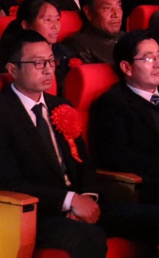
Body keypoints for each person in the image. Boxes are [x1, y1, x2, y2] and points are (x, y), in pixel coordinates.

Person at [0, 29, 107, 258]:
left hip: (78, 202)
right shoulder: (3, 113)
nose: (49, 69)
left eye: (51, 61)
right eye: (38, 63)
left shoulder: (60, 105)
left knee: (154, 217)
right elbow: (8, 181)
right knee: (89, 236)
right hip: (34, 213)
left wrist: (87, 198)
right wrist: (69, 201)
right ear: (12, 70)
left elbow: (84, 163)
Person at [87, 31, 159, 204]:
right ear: (126, 67)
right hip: (152, 187)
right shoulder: (113, 103)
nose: (158, 64)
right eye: (149, 58)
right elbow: (116, 156)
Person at [64, 0, 124, 66]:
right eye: (107, 8)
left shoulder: (126, 38)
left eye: (118, 6)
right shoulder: (79, 45)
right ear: (88, 12)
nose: (116, 14)